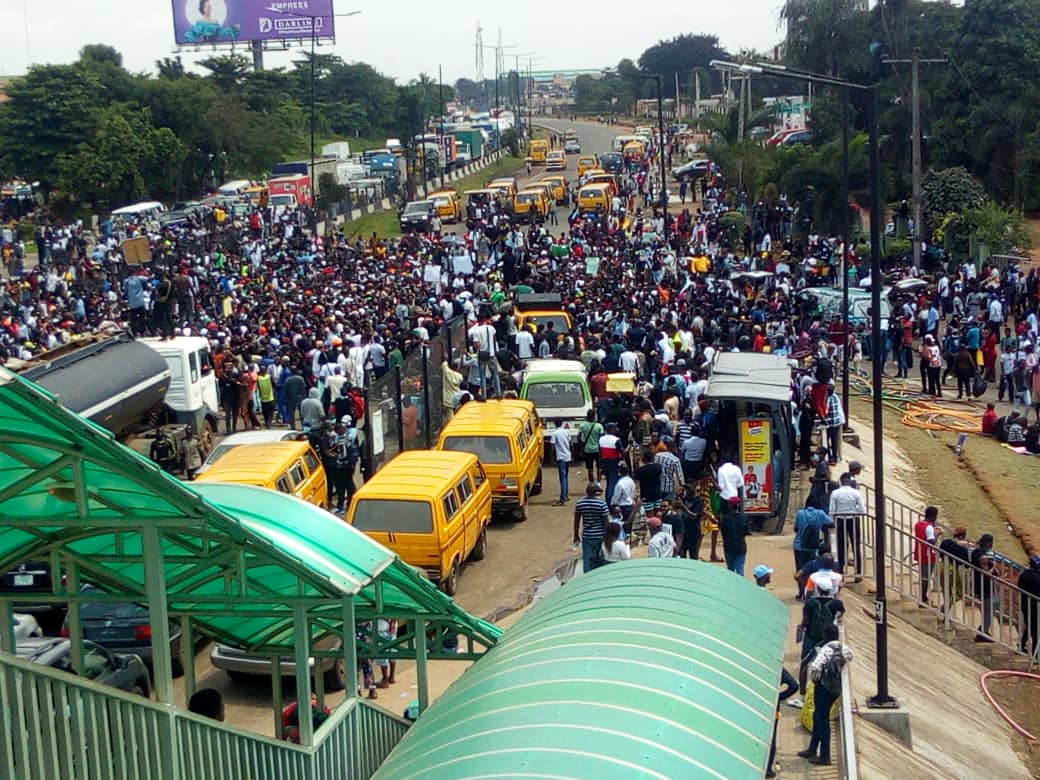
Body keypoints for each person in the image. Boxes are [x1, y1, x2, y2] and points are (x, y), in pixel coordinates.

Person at [798, 624, 853, 766]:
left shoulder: (825, 650)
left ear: (825, 635)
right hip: (835, 689)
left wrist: (815, 681)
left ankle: (825, 755)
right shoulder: (844, 649)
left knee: (822, 720)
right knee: (818, 716)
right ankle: (812, 749)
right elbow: (850, 658)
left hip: (823, 689)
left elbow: (815, 667)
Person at [793, 502, 833, 599]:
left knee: (800, 569)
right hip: (813, 547)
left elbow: (796, 528)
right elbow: (831, 523)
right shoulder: (820, 513)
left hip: (799, 546)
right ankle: (811, 592)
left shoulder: (800, 513)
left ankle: (801, 593)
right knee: (811, 570)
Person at [829, 473, 865, 578]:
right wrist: (853, 510)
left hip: (840, 519)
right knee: (856, 545)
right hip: (853, 519)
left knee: (841, 546)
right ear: (850, 481)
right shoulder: (856, 493)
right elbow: (862, 510)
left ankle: (841, 571)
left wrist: (832, 521)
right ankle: (858, 572)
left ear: (840, 481)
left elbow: (832, 509)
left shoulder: (835, 493)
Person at [573, 483, 609, 573]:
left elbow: (576, 521)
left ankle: (587, 578)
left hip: (587, 536)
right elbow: (605, 522)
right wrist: (607, 536)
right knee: (599, 558)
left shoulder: (580, 503)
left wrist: (576, 535)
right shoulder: (601, 504)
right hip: (600, 536)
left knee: (587, 559)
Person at [913, 506, 941, 604]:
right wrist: (937, 534)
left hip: (920, 552)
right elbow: (931, 542)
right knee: (926, 577)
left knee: (923, 575)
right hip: (928, 555)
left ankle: (923, 596)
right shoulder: (929, 528)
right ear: (934, 516)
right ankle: (923, 597)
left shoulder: (918, 524)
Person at [972, 533, 996, 642]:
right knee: (989, 609)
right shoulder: (983, 557)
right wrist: (994, 567)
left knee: (988, 608)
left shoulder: (976, 552)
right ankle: (982, 633)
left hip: (980, 583)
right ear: (988, 543)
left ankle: (984, 630)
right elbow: (986, 573)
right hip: (985, 585)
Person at [1018, 555, 1040, 658]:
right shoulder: (1036, 577)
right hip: (1035, 606)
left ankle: (1022, 644)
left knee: (1030, 626)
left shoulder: (1024, 574)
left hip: (1025, 604)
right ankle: (1036, 653)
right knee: (1035, 630)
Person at [576, 410, 604, 483]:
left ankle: (591, 483)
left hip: (587, 449)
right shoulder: (599, 426)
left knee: (590, 468)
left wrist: (582, 445)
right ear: (594, 416)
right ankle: (598, 483)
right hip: (597, 449)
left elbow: (579, 437)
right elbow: (602, 438)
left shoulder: (582, 425)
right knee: (599, 467)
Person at [550, 423, 572, 506]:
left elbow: (552, 446)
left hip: (561, 458)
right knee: (566, 477)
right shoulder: (566, 432)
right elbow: (570, 444)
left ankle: (562, 499)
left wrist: (551, 457)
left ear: (555, 424)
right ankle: (566, 495)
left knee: (562, 478)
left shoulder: (555, 433)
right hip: (567, 456)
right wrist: (572, 454)